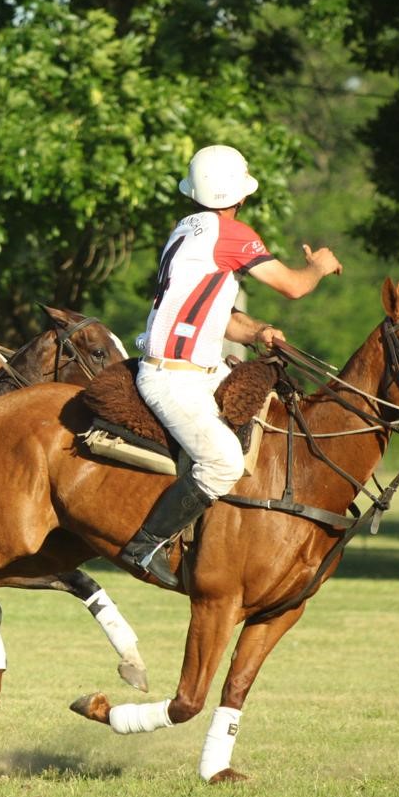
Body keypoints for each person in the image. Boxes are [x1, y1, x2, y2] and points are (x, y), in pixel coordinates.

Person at [120, 144, 343, 587]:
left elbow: (214, 315)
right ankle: (145, 545)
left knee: (274, 412)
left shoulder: (185, 230)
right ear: (240, 195)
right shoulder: (232, 234)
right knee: (223, 463)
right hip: (175, 379)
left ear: (193, 191)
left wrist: (259, 331)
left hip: (193, 369)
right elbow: (294, 287)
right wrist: (318, 266)